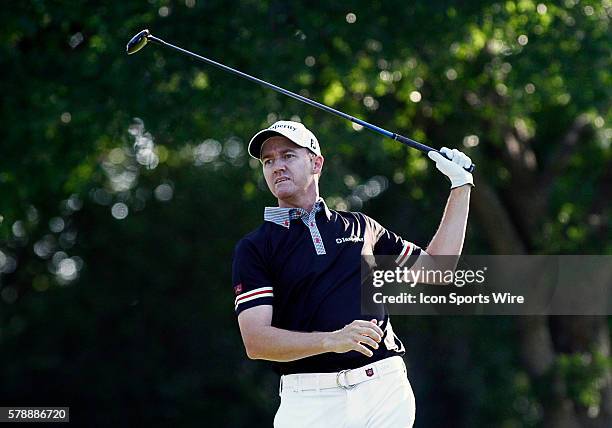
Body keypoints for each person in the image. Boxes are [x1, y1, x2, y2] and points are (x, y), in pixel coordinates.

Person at [232, 120, 473, 427]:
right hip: (308, 402)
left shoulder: (361, 226)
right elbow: (256, 342)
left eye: (288, 155)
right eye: (268, 161)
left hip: (382, 388)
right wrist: (332, 340)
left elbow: (438, 270)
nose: (277, 166)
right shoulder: (255, 247)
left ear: (316, 162)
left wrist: (461, 185)